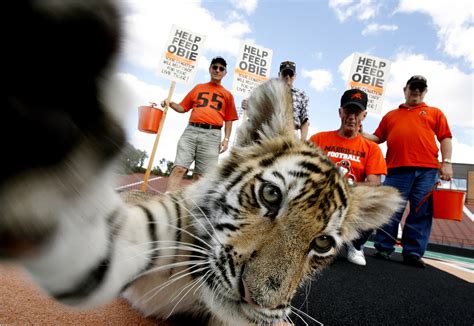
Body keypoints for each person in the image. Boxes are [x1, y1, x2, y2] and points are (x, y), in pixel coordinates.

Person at [363, 75, 453, 268]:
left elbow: (445, 137)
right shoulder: (391, 116)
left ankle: (413, 253)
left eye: (421, 88)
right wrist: (361, 133)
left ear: (425, 92)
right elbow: (378, 138)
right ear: (405, 89)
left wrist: (447, 162)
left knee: (421, 212)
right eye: (413, 87)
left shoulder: (435, 112)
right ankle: (383, 247)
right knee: (390, 209)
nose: (417, 91)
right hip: (396, 169)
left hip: (427, 170)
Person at [309, 89, 387, 266]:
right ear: (340, 112)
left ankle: (355, 244)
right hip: (321, 198)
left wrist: (345, 186)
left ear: (364, 115)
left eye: (357, 112)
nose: (352, 117)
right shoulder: (318, 139)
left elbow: (374, 183)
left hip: (351, 201)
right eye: (348, 111)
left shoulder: (372, 149)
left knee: (379, 199)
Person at [162, 56, 238, 192]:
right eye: (215, 67)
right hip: (191, 131)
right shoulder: (198, 88)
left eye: (221, 68)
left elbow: (229, 119)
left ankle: (192, 206)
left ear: (225, 73)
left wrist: (226, 139)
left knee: (201, 176)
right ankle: (168, 200)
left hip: (212, 135)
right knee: (179, 168)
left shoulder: (228, 95)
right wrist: (171, 103)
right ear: (210, 69)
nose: (217, 70)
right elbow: (183, 108)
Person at [242, 60, 310, 140]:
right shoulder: (268, 91)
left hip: (291, 136)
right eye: (285, 74)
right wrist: (250, 106)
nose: (287, 76)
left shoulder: (301, 95)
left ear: (295, 76)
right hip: (269, 134)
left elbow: (304, 121)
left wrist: (302, 142)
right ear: (279, 75)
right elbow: (257, 113)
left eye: (291, 74)